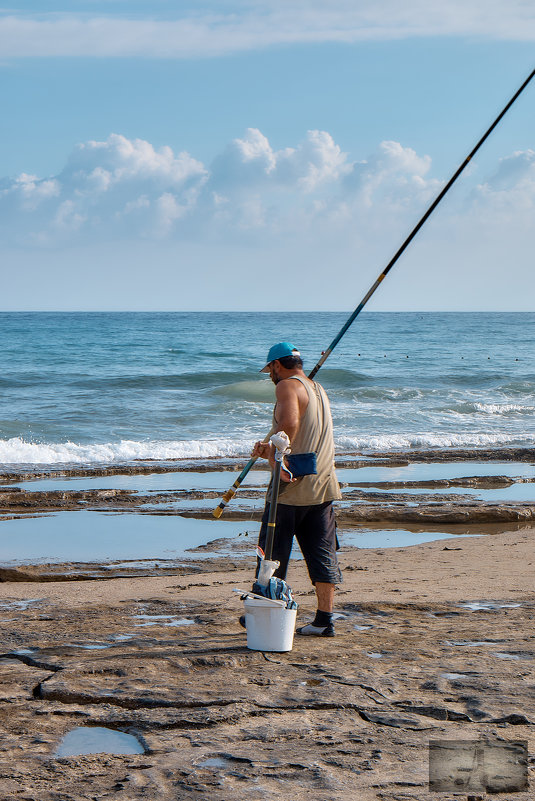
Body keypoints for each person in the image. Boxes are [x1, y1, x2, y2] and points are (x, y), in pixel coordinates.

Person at [252, 341, 342, 637]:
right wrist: (270, 447)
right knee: (322, 554)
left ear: (278, 365)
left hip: (290, 487)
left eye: (270, 370)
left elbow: (289, 425)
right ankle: (323, 620)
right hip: (323, 484)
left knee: (271, 555)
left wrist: (274, 452)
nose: (270, 377)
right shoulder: (318, 388)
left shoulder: (287, 386)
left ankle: (266, 611)